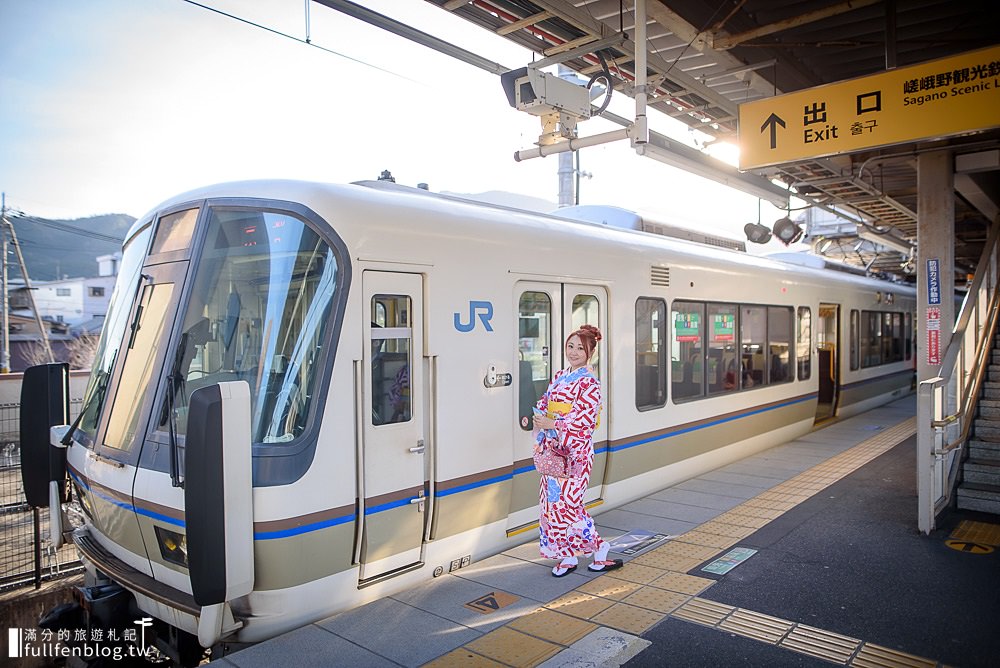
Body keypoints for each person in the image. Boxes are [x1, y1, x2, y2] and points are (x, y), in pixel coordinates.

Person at [532, 324, 622, 577]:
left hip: (575, 455)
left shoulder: (590, 384)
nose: (573, 352)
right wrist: (540, 416)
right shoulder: (560, 375)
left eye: (579, 348)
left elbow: (583, 422)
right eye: (570, 346)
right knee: (551, 506)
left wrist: (554, 423)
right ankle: (567, 555)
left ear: (590, 352)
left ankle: (599, 547)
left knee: (569, 506)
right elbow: (544, 402)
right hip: (553, 453)